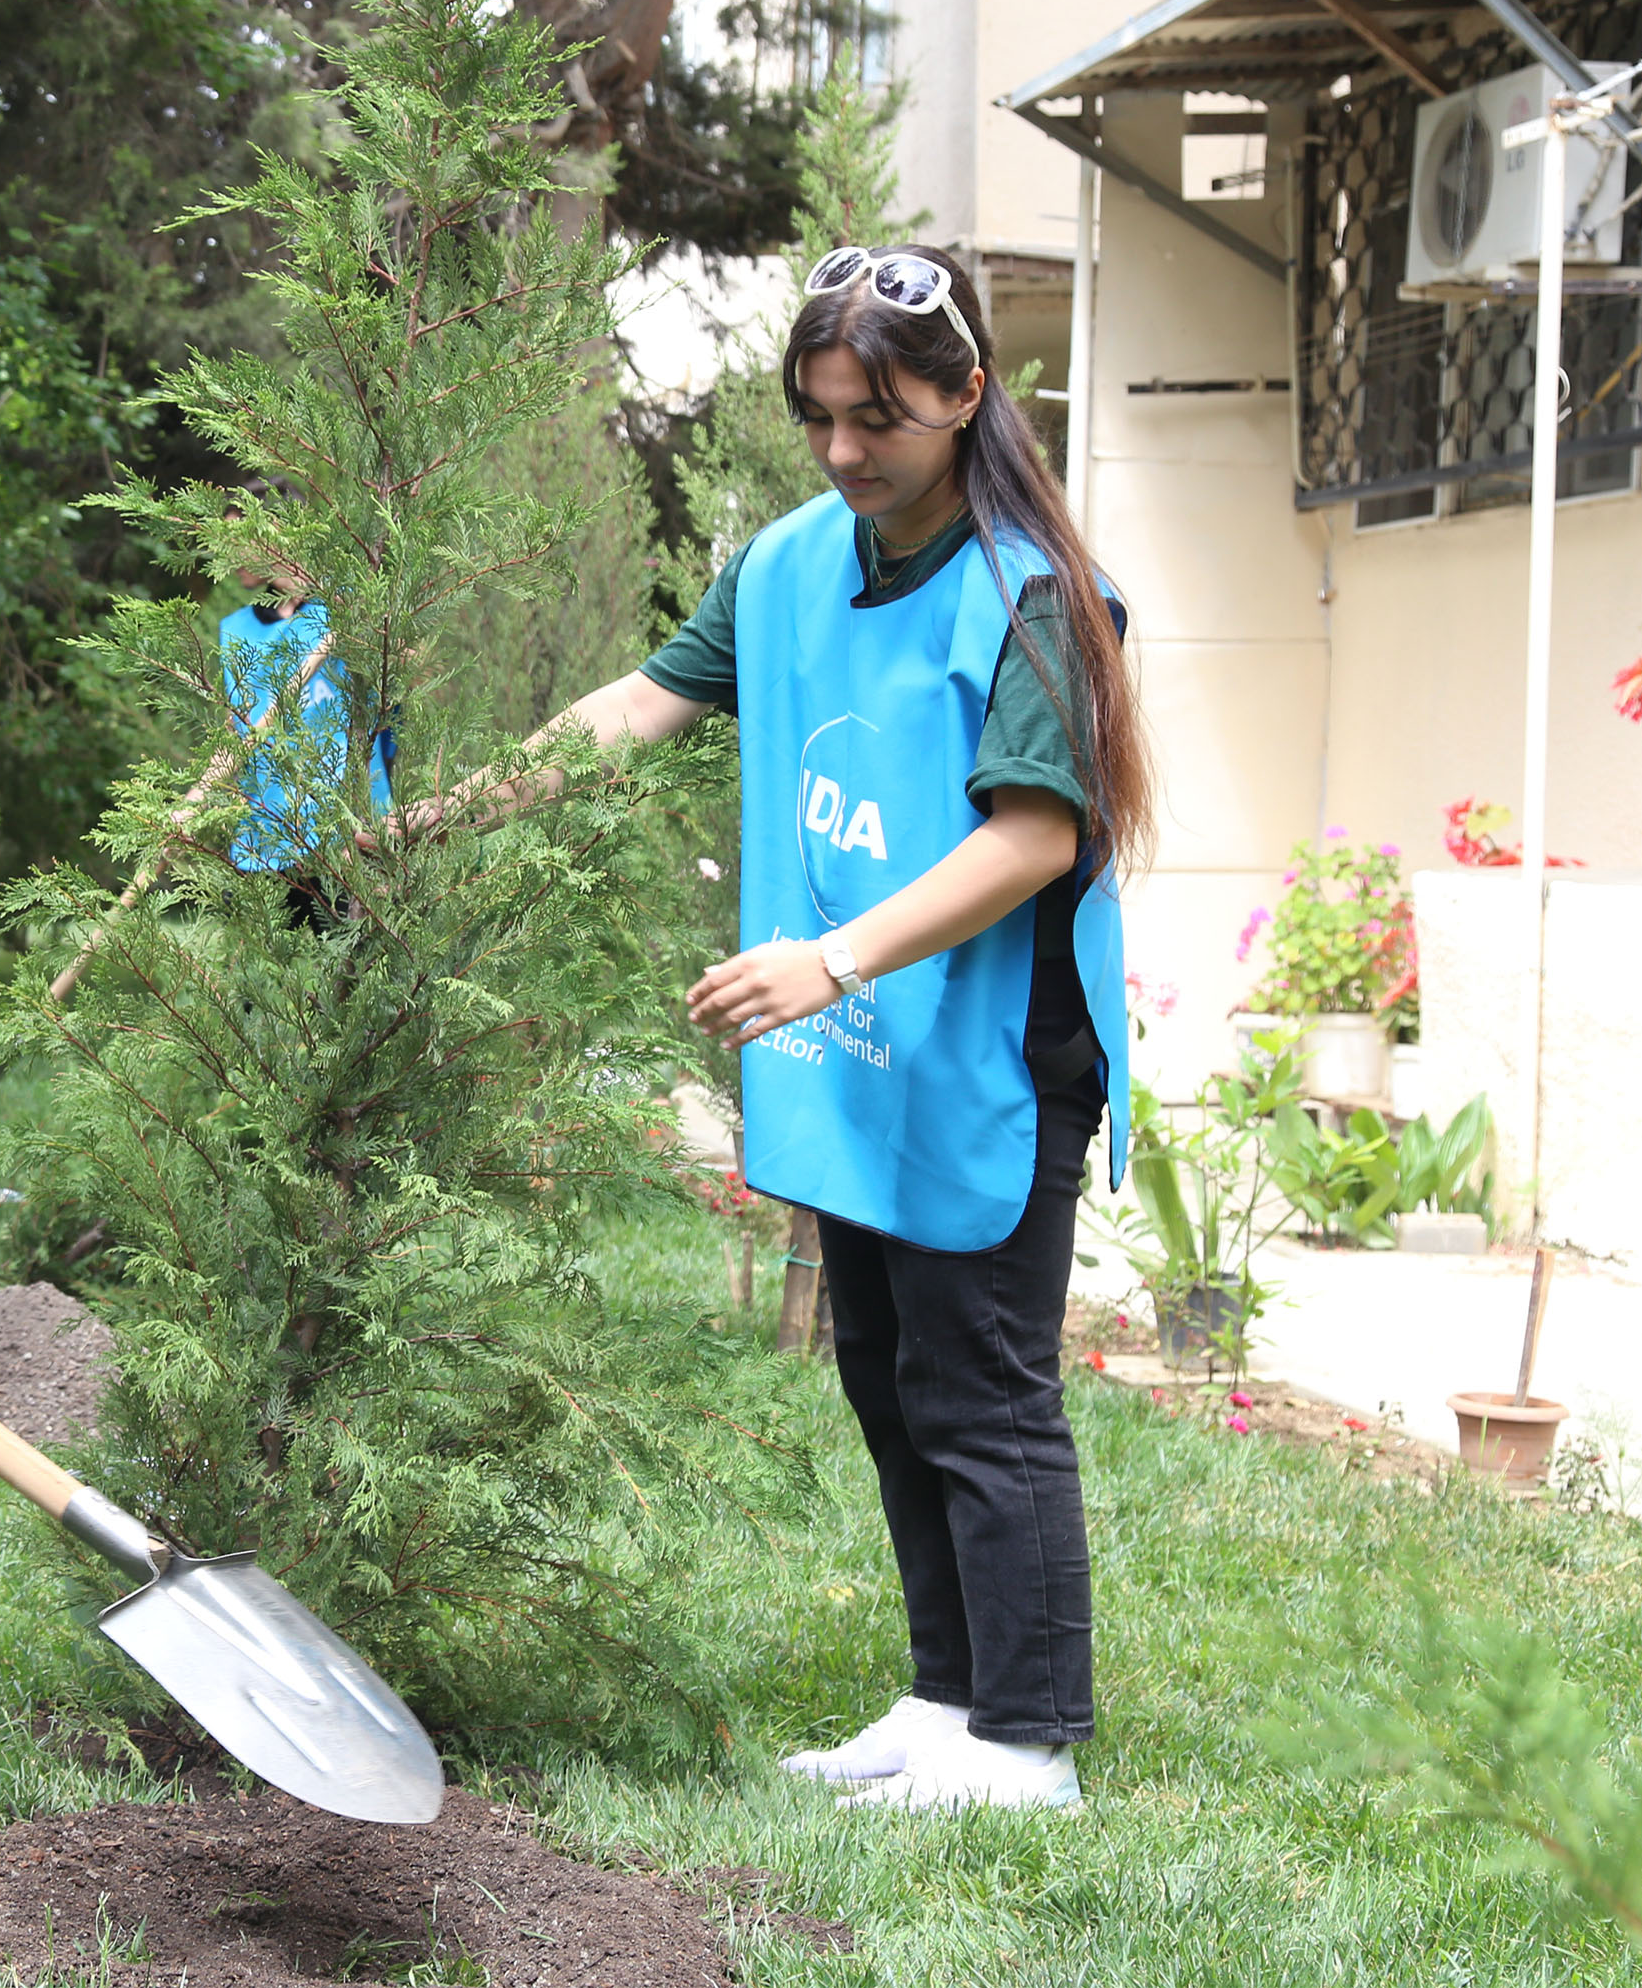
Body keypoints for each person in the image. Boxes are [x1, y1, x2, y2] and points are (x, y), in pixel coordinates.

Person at [430, 243, 1147, 1814]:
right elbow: (640, 701)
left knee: (981, 1381)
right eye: (819, 413)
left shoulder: (1029, 590)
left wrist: (830, 959)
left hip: (993, 1046)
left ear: (966, 397)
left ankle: (1025, 1740)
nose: (841, 449)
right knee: (886, 1368)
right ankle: (944, 1698)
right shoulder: (787, 562)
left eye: (877, 416)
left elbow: (1029, 836)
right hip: (870, 1032)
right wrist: (450, 815)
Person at [218, 573, 392, 929]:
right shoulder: (235, 630)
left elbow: (397, 676)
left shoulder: (341, 607)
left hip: (346, 829)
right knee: (270, 967)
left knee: (357, 958)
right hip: (267, 833)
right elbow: (234, 728)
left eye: (241, 533)